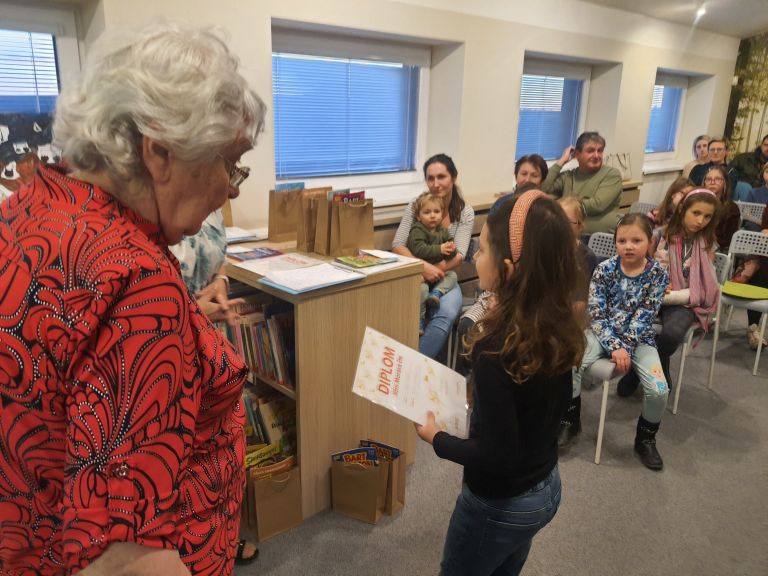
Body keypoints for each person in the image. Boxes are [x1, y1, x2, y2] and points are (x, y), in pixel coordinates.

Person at [0, 24, 266, 575]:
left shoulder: (27, 210)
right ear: (160, 151)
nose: (233, 187)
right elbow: (124, 559)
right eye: (230, 161)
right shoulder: (136, 281)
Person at [415, 191, 585, 576]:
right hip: (545, 485)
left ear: (507, 271)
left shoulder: (495, 347)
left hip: (500, 504)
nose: (475, 256)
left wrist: (436, 438)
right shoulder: (557, 322)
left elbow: (497, 457)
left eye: (482, 249)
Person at [168, 209, 259, 565]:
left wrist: (221, 281)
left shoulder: (213, 204)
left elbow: (220, 257)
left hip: (211, 337)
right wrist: (195, 312)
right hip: (172, 349)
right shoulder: (148, 212)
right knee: (184, 461)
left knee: (222, 454)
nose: (231, 192)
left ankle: (224, 538)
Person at [559, 214, 669, 470]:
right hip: (602, 333)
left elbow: (645, 316)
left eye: (636, 240)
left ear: (650, 242)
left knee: (659, 389)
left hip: (639, 340)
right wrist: (614, 346)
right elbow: (596, 313)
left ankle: (645, 439)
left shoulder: (658, 275)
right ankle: (569, 421)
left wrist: (625, 347)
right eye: (622, 241)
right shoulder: (604, 269)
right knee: (571, 361)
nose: (628, 246)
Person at [616, 190, 721, 408]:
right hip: (650, 296)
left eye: (707, 216)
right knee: (629, 323)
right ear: (682, 209)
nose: (700, 221)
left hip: (684, 301)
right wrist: (655, 282)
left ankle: (636, 372)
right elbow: (638, 266)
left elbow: (705, 283)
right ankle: (658, 369)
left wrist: (677, 293)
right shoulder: (659, 235)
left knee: (672, 334)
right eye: (696, 213)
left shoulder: (708, 243)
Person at [392, 153, 474, 359]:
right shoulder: (416, 205)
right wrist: (423, 268)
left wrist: (434, 271)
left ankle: (415, 365)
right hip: (415, 274)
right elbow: (398, 245)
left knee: (446, 314)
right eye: (430, 178)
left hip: (444, 278)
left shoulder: (465, 212)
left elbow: (459, 255)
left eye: (441, 177)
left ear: (453, 177)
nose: (436, 184)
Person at [541, 131, 623, 234]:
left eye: (600, 151)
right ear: (577, 154)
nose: (596, 155)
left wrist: (559, 206)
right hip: (568, 234)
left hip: (597, 237)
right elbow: (542, 189)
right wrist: (561, 161)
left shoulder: (612, 175)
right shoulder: (568, 176)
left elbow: (597, 205)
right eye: (590, 151)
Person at [405, 191, 458, 334]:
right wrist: (440, 249)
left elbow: (451, 252)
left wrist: (452, 248)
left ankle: (435, 294)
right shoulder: (417, 230)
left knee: (452, 276)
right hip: (421, 275)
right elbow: (419, 250)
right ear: (418, 216)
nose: (433, 215)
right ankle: (419, 320)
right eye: (427, 212)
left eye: (436, 211)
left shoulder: (443, 230)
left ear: (442, 214)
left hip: (438, 274)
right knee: (421, 291)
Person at [558, 197, 598, 321]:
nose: (561, 226)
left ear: (580, 226)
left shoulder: (587, 257)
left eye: (567, 222)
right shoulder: (546, 250)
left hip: (570, 317)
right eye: (557, 219)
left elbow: (582, 301)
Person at [703, 164, 740, 250]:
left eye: (717, 179)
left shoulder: (732, 208)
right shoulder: (697, 203)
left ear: (725, 183)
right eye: (708, 179)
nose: (712, 182)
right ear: (704, 183)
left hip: (719, 249)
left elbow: (729, 240)